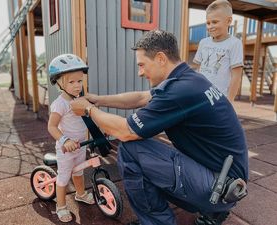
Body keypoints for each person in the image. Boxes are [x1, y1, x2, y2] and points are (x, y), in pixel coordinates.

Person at [70, 30, 248, 225]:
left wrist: (88, 109)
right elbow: (141, 98)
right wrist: (98, 100)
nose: (140, 72)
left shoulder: (178, 91)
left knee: (131, 150)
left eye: (142, 65)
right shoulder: (189, 80)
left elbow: (125, 132)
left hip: (219, 187)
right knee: (151, 155)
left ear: (161, 58)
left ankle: (159, 221)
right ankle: (207, 211)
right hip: (227, 180)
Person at [47, 54, 95, 223]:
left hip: (80, 145)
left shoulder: (79, 99)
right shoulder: (60, 104)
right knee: (63, 177)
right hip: (66, 149)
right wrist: (65, 141)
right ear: (59, 82)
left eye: (79, 81)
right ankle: (60, 206)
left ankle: (80, 194)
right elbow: (52, 127)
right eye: (71, 82)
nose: (77, 86)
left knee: (79, 171)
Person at [193, 0, 243, 103]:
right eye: (208, 23)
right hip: (200, 95)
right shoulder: (203, 43)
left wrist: (229, 101)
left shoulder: (235, 44)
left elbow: (236, 76)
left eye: (215, 22)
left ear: (228, 21)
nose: (210, 26)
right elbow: (196, 68)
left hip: (219, 99)